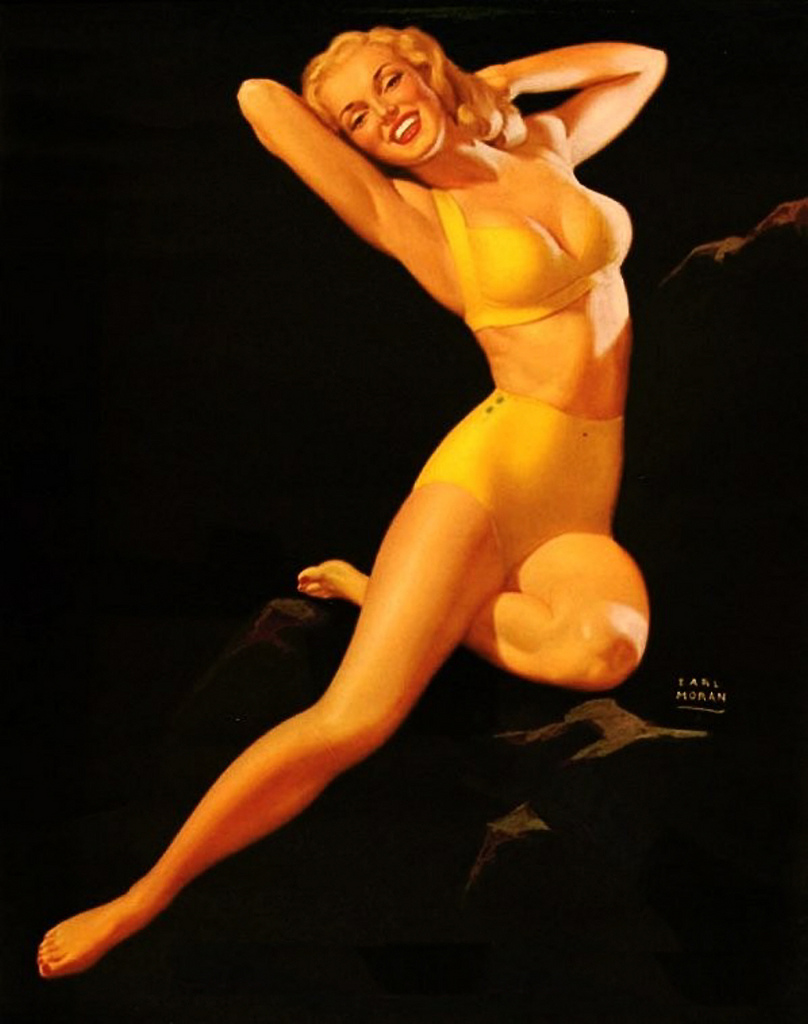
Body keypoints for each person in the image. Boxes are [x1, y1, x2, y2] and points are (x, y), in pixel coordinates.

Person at [37, 25, 665, 978]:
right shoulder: (411, 216)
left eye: (390, 85)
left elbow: (643, 64)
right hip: (489, 480)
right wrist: (353, 106)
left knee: (603, 650)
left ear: (427, 67)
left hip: (577, 508)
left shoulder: (544, 145)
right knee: (353, 719)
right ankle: (141, 898)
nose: (385, 116)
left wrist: (495, 78)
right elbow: (259, 97)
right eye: (358, 118)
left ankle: (393, 599)